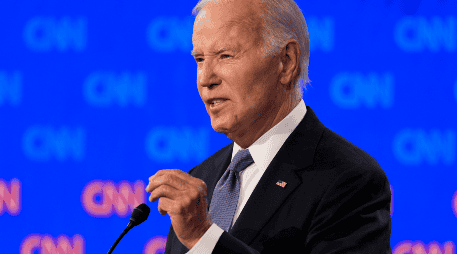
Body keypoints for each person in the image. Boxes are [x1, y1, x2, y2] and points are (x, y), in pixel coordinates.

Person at [145, 0, 392, 253]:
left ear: (286, 62)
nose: (205, 79)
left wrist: (204, 238)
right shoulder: (202, 178)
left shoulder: (349, 179)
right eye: (199, 59)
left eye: (225, 56)